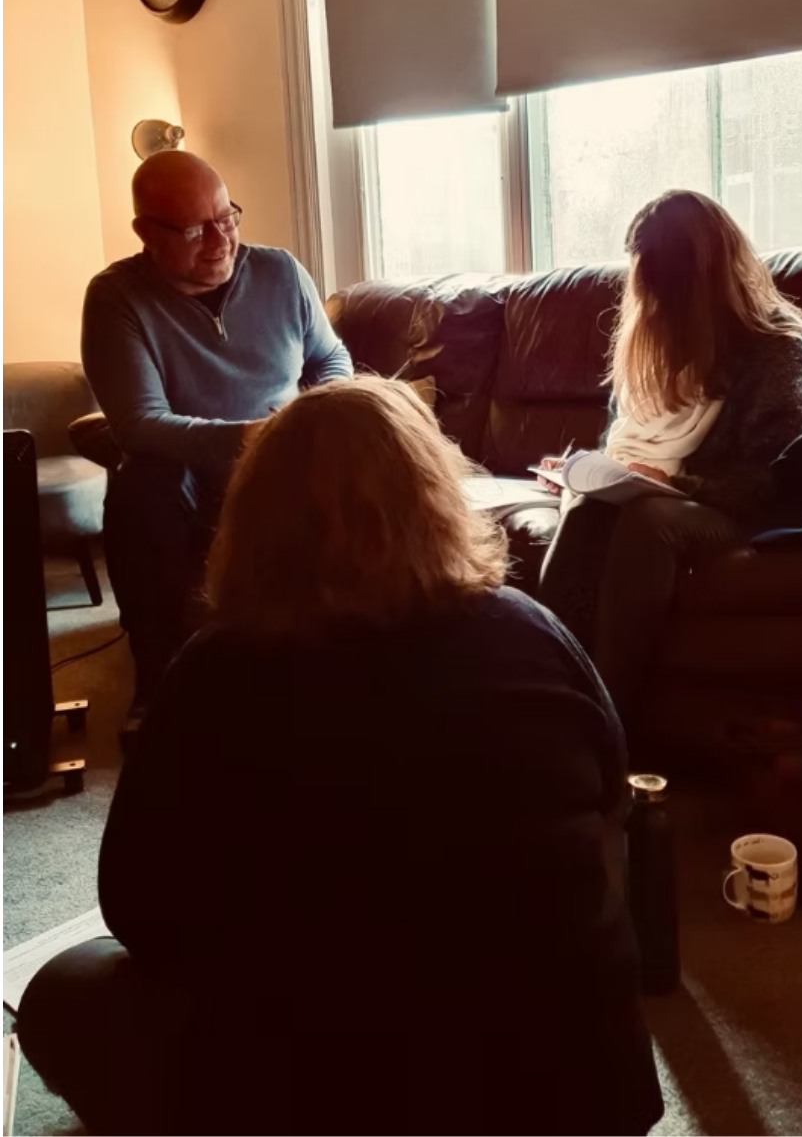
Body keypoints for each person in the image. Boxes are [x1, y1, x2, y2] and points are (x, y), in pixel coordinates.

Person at [17, 377, 665, 1137]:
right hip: (579, 1093)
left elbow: (139, 908)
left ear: (254, 517)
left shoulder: (216, 669)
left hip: (329, 1093)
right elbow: (612, 809)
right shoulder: (534, 630)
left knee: (66, 988)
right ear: (436, 493)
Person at [538, 190, 802, 737]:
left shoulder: (782, 354)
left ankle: (614, 729)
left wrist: (675, 480)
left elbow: (783, 481)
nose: (650, 305)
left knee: (648, 523)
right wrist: (596, 469)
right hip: (675, 496)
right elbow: (624, 438)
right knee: (585, 513)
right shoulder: (661, 346)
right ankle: (554, 700)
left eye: (662, 291)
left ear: (699, 285)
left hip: (758, 514)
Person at [81, 150, 354, 730]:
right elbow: (140, 423)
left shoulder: (282, 272)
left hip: (286, 463)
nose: (219, 239)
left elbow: (330, 357)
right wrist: (251, 438)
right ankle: (158, 677)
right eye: (194, 229)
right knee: (142, 486)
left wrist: (317, 415)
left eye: (227, 217)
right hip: (184, 475)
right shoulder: (116, 299)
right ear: (145, 233)